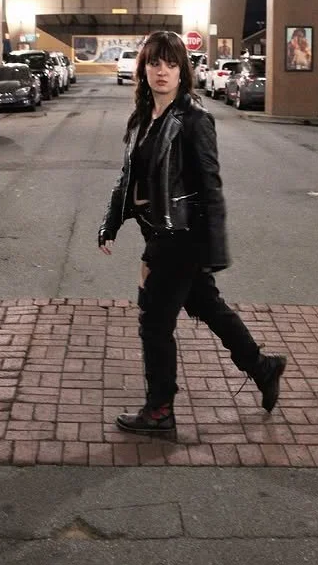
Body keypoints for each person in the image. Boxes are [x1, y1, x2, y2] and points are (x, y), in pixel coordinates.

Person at [98, 30, 286, 435]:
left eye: (170, 63)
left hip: (180, 238)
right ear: (142, 68)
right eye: (153, 63)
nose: (161, 71)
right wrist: (110, 222)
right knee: (208, 307)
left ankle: (160, 410)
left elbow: (211, 186)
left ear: (183, 70)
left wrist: (212, 248)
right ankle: (263, 367)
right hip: (158, 232)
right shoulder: (142, 119)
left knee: (154, 322)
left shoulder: (195, 120)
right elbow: (127, 177)